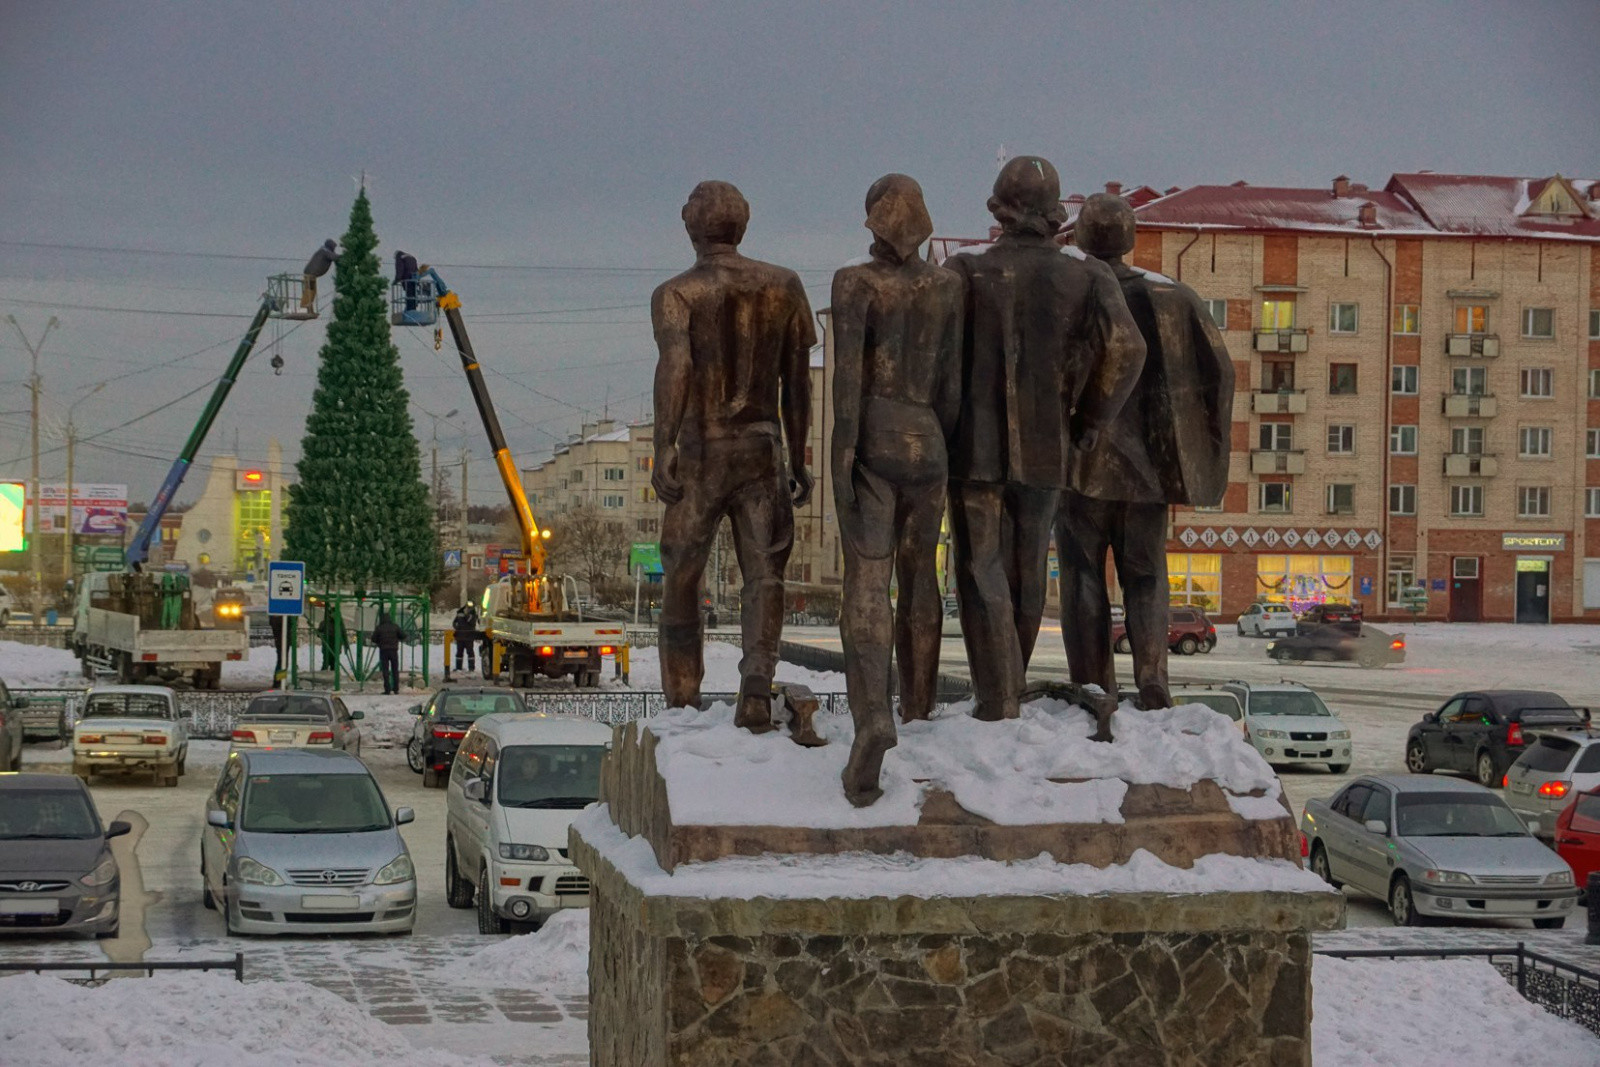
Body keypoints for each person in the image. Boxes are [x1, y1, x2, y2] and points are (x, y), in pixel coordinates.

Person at [943, 156, 1147, 721]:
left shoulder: (965, 271)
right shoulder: (1088, 276)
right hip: (1049, 445)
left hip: (973, 446)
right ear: (1056, 214)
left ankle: (998, 691)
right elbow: (1127, 352)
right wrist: (1089, 421)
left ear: (998, 210)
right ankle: (1010, 679)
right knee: (1029, 566)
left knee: (979, 564)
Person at [1056, 194, 1234, 709]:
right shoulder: (1175, 297)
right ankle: (1153, 678)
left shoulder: (1073, 293)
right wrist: (1202, 454)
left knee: (1081, 574)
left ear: (1080, 239)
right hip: (1149, 472)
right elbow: (1220, 375)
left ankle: (1094, 684)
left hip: (1080, 464)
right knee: (1147, 574)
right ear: (1131, 239)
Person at [651, 181, 815, 730]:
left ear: (689, 224)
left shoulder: (677, 293)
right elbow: (798, 382)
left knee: (681, 574)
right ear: (742, 225)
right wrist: (800, 454)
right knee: (764, 575)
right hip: (764, 450)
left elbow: (677, 366)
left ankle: (681, 697)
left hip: (702, 450)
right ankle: (755, 688)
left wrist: (663, 444)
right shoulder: (785, 285)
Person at [830, 174, 961, 806]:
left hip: (876, 436)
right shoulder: (946, 286)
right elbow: (952, 384)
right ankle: (922, 706)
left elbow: (847, 380)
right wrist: (944, 447)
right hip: (929, 439)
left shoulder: (857, 282)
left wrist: (841, 458)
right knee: (921, 577)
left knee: (867, 580)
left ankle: (873, 715)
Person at [300, 238, 338, 314]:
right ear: (330, 246)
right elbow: (334, 257)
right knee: (310, 291)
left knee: (312, 291)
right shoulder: (325, 251)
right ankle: (304, 308)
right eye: (334, 247)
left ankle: (308, 308)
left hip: (311, 274)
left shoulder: (323, 250)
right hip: (311, 274)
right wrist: (346, 256)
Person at [371, 611, 404, 694]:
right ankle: (396, 688)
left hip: (384, 651)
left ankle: (387, 689)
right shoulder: (395, 627)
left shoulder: (379, 627)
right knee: (395, 670)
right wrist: (396, 639)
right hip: (393, 651)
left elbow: (373, 639)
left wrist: (379, 642)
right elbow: (403, 635)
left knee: (385, 670)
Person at [452, 603, 479, 673]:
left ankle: (471, 668)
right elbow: (454, 623)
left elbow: (471, 622)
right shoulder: (461, 614)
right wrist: (458, 628)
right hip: (462, 637)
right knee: (459, 653)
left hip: (468, 637)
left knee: (470, 653)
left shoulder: (472, 615)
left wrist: (466, 615)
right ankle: (458, 668)